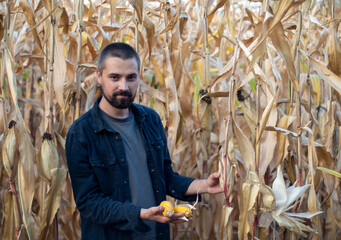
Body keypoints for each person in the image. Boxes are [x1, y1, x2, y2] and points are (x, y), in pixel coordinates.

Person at [65, 42, 223, 240]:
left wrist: (203, 186)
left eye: (131, 78)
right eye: (114, 77)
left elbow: (165, 177)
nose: (124, 86)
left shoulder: (151, 120)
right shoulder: (81, 133)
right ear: (99, 76)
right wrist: (139, 214)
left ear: (139, 76)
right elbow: (89, 203)